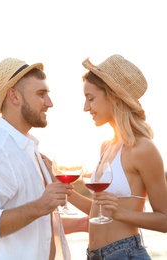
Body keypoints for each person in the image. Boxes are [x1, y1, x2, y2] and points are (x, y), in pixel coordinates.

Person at [0, 57, 87, 260]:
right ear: (14, 96)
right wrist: (41, 205)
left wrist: (83, 224)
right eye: (41, 94)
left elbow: (40, 226)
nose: (50, 103)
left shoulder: (30, 148)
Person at [68, 54, 167, 259]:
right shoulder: (107, 146)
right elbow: (99, 211)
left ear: (113, 96)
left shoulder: (143, 148)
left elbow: (164, 221)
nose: (86, 108)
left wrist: (120, 213)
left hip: (125, 254)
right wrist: (66, 191)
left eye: (91, 98)